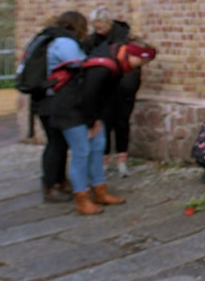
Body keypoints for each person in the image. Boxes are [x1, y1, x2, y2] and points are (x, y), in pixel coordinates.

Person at [41, 40, 157, 215]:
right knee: (81, 152)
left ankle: (100, 190)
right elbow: (88, 94)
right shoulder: (104, 66)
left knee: (98, 147)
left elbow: (106, 97)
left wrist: (99, 120)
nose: (142, 66)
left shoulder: (117, 65)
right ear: (132, 54)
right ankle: (81, 197)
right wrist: (90, 122)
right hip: (71, 110)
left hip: (90, 113)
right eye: (141, 61)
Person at [34, 10, 90, 203]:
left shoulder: (45, 38)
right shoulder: (64, 42)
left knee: (57, 143)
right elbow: (80, 64)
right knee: (56, 144)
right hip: (55, 98)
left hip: (42, 97)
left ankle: (57, 182)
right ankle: (52, 186)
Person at [84, 6, 141, 177]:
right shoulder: (92, 40)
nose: (98, 30)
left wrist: (129, 87)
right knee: (104, 124)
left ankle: (122, 161)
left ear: (108, 22)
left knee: (122, 122)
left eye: (101, 26)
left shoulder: (124, 38)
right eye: (95, 26)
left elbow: (131, 66)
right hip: (103, 90)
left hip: (123, 87)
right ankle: (104, 160)